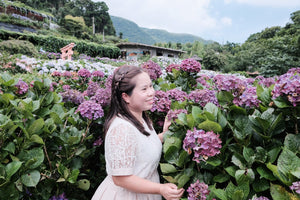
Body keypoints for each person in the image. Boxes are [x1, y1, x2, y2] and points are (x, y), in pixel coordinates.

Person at [92, 65, 184, 200]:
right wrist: (161, 189)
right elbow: (121, 179)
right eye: (144, 89)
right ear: (126, 97)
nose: (152, 92)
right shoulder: (122, 128)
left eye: (151, 86)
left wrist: (164, 135)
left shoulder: (141, 118)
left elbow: (141, 149)